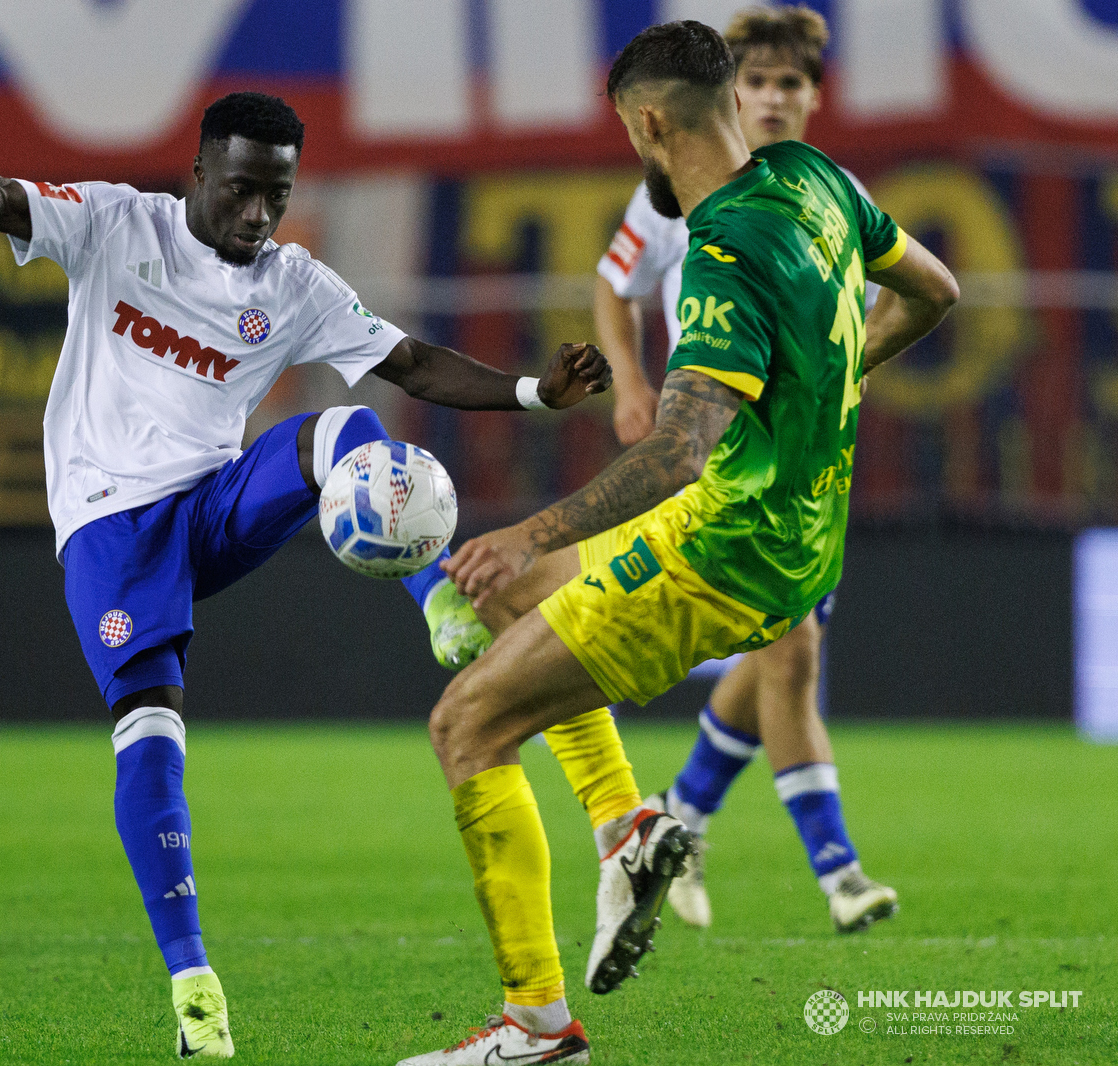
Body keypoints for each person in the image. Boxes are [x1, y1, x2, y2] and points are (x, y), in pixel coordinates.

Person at [0, 39, 610, 1059]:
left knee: (343, 433)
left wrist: (536, 394)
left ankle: (438, 609)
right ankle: (195, 985)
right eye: (240, 190)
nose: (257, 215)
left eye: (274, 196)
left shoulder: (290, 281)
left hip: (211, 505)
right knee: (151, 729)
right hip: (110, 528)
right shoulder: (114, 224)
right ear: (197, 172)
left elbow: (408, 360)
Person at [400, 20, 957, 1064]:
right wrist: (841, 373)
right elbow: (935, 290)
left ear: (650, 122)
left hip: (719, 548)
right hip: (798, 540)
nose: (632, 150)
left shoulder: (719, 255)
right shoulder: (815, 179)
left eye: (628, 134)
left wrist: (531, 528)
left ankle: (534, 1025)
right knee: (499, 610)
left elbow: (677, 455)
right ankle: (629, 828)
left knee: (466, 726)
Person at [571, 5, 898, 934]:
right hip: (722, 461)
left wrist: (840, 378)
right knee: (789, 654)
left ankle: (680, 819)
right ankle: (837, 875)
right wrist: (632, 383)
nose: (774, 97)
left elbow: (877, 316)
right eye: (756, 82)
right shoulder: (680, 191)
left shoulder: (829, 192)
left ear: (813, 97)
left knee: (777, 658)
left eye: (791, 84)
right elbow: (612, 280)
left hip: (806, 466)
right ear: (731, 94)